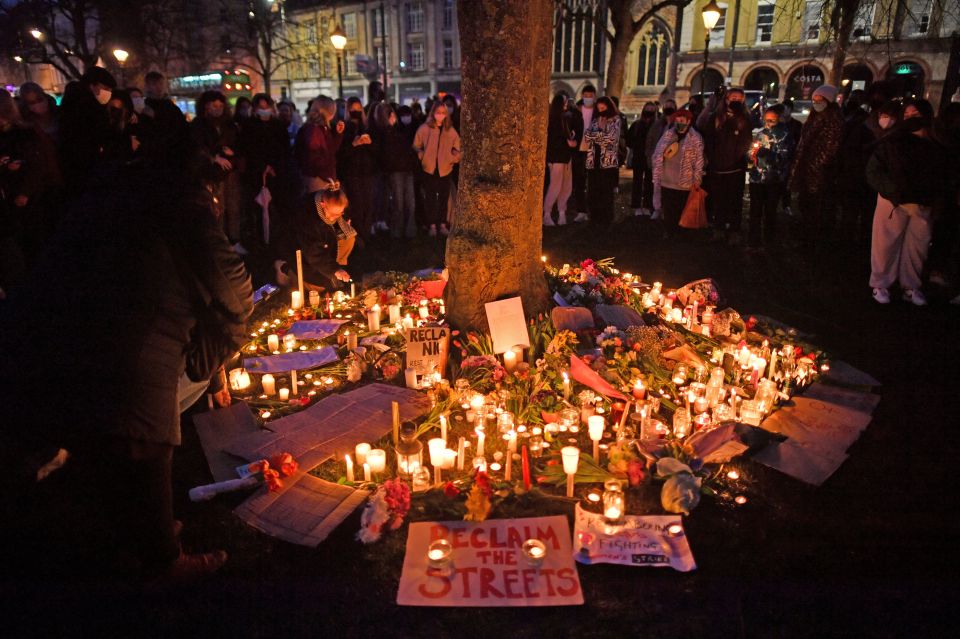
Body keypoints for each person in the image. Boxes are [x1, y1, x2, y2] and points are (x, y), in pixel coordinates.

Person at [0, 140, 254, 580]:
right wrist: (233, 323)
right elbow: (231, 285)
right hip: (133, 327)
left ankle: (132, 531)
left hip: (57, 326)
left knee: (98, 435)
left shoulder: (104, 196)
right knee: (146, 441)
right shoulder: (183, 202)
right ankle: (163, 557)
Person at [866, 99, 946, 306]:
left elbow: (943, 174)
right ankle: (880, 283)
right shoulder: (891, 142)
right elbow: (874, 171)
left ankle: (910, 286)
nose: (911, 119)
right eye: (907, 116)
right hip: (893, 202)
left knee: (916, 247)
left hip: (922, 203)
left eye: (915, 115)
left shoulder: (936, 146)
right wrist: (892, 190)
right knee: (885, 243)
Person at [789, 84, 843, 251]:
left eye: (821, 99)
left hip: (820, 174)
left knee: (817, 208)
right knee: (806, 206)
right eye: (814, 99)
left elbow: (830, 148)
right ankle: (806, 238)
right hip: (807, 170)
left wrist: (817, 165)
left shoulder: (833, 120)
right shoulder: (814, 117)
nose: (817, 102)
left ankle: (815, 241)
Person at [697, 87, 753, 239]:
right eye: (733, 97)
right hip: (717, 168)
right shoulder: (715, 117)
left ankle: (734, 229)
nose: (735, 100)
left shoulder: (745, 119)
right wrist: (713, 159)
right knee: (719, 200)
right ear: (727, 99)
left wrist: (738, 157)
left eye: (739, 98)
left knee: (735, 200)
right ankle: (719, 227)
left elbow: (746, 141)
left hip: (736, 168)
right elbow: (708, 139)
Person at [275, 184, 355, 291]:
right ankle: (285, 268)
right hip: (300, 251)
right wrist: (334, 270)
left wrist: (335, 269)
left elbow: (339, 219)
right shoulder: (306, 217)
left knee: (348, 238)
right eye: (332, 214)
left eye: (339, 214)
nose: (334, 218)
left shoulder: (336, 205)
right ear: (322, 204)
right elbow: (313, 252)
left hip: (323, 244)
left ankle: (334, 271)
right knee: (318, 288)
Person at [190, 91, 243, 250]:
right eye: (214, 106)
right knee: (217, 208)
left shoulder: (229, 124)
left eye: (221, 106)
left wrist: (233, 152)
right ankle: (218, 242)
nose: (218, 109)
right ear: (206, 106)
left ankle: (234, 239)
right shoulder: (198, 125)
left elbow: (239, 143)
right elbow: (196, 147)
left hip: (230, 171)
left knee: (233, 206)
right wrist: (214, 157)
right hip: (211, 174)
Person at [239, 93, 290, 250]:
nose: (264, 110)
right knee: (257, 209)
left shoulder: (278, 126)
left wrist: (275, 166)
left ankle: (276, 241)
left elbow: (284, 149)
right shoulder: (248, 126)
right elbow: (248, 150)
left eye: (266, 107)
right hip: (256, 174)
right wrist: (262, 167)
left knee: (277, 208)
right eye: (260, 107)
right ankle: (260, 242)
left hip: (276, 174)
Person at [57, 66, 115, 193]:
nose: (108, 93)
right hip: (86, 170)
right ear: (91, 85)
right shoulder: (84, 109)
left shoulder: (87, 105)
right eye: (105, 88)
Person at [652, 109, 704, 238]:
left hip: (684, 182)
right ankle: (669, 231)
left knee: (682, 208)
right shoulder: (668, 135)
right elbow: (657, 152)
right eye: (677, 120)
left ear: (688, 121)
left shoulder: (695, 138)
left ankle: (682, 233)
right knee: (669, 208)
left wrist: (697, 179)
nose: (679, 122)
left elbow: (699, 160)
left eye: (682, 120)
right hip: (667, 179)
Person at [747, 106, 793, 250]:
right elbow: (750, 152)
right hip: (757, 179)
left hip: (773, 180)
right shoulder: (761, 133)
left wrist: (769, 154)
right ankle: (754, 240)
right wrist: (751, 154)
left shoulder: (785, 136)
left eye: (772, 120)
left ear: (779, 119)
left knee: (770, 211)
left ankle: (769, 239)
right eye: (766, 120)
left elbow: (785, 158)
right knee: (755, 211)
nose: (768, 123)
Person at [413, 100, 461, 237]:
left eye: (443, 113)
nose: (440, 115)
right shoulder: (425, 128)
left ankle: (442, 224)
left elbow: (458, 148)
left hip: (445, 168)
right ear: (433, 113)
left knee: (444, 198)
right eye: (438, 112)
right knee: (430, 198)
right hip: (429, 169)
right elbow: (416, 145)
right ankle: (432, 225)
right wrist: (422, 155)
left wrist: (453, 159)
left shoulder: (450, 131)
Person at [373, 102, 418, 239]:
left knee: (409, 201)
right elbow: (389, 152)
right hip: (396, 170)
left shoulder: (397, 129)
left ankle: (408, 231)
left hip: (405, 168)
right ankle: (398, 231)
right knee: (399, 201)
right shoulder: (384, 132)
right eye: (391, 114)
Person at [338, 96, 380, 240]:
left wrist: (369, 143)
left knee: (368, 203)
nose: (355, 112)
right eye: (352, 109)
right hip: (352, 172)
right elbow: (341, 153)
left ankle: (367, 233)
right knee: (357, 204)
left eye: (358, 109)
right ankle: (358, 235)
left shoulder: (367, 126)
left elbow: (377, 151)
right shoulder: (344, 128)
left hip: (367, 171)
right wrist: (353, 145)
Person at [582, 96, 622, 227]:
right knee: (593, 190)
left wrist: (596, 137)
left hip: (607, 161)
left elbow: (611, 138)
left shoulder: (615, 120)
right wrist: (600, 136)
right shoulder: (595, 120)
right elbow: (587, 136)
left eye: (603, 108)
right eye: (598, 108)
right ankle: (594, 216)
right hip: (594, 160)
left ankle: (606, 218)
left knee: (605, 191)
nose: (600, 110)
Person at [295, 95, 345, 195]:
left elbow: (330, 151)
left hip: (321, 177)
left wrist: (338, 135)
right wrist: (328, 177)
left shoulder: (322, 128)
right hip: (317, 179)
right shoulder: (315, 129)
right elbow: (315, 157)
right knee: (319, 208)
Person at [543, 93, 577, 226]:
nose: (567, 104)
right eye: (564, 102)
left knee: (565, 186)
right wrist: (569, 142)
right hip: (557, 157)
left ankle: (561, 213)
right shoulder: (555, 119)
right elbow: (556, 139)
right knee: (556, 186)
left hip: (564, 157)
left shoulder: (563, 118)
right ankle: (547, 214)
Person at [644, 98, 677, 220]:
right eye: (666, 105)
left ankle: (668, 210)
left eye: (671, 106)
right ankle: (657, 209)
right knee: (657, 186)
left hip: (672, 161)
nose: (668, 108)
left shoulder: (677, 124)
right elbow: (650, 139)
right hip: (658, 160)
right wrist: (650, 155)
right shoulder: (658, 124)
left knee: (669, 187)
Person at [627, 102, 658, 217]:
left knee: (650, 183)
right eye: (647, 109)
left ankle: (647, 205)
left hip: (651, 158)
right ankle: (636, 206)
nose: (649, 111)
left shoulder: (656, 126)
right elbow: (629, 140)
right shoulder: (636, 125)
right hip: (639, 157)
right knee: (637, 182)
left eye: (651, 109)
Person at [571, 84, 596, 222]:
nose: (588, 99)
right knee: (579, 182)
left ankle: (592, 210)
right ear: (582, 96)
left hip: (592, 150)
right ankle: (581, 211)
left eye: (590, 96)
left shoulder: (597, 112)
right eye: (585, 96)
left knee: (592, 182)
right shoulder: (576, 111)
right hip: (579, 151)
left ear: (594, 96)